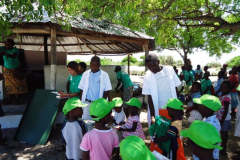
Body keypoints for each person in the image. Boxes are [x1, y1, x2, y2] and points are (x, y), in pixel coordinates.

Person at [142, 53, 181, 152]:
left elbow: (176, 88)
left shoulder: (169, 70)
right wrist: (153, 116)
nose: (152, 69)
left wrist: (179, 107)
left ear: (158, 62)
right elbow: (149, 97)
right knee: (159, 135)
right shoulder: (147, 76)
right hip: (158, 110)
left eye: (153, 66)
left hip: (172, 110)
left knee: (175, 134)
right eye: (149, 67)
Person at [193, 95, 222, 160]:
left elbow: (206, 143)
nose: (198, 107)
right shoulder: (207, 119)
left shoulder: (211, 124)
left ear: (208, 109)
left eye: (200, 106)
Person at [0, 39, 28, 104]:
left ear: (13, 45)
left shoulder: (15, 50)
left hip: (16, 68)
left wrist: (6, 54)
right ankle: (9, 98)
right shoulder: (3, 48)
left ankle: (17, 99)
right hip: (7, 69)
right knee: (8, 84)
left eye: (9, 44)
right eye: (6, 44)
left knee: (18, 83)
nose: (7, 46)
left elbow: (14, 55)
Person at [215, 80, 232, 154]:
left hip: (224, 119)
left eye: (224, 88)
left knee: (224, 134)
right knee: (222, 132)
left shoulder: (227, 97)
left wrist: (222, 120)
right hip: (220, 117)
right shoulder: (221, 95)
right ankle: (222, 146)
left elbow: (225, 110)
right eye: (221, 87)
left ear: (228, 89)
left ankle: (224, 148)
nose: (222, 89)